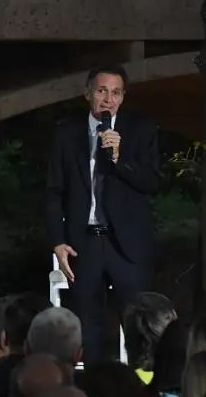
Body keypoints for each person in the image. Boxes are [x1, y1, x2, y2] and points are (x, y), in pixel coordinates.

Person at [45, 64, 160, 366]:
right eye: (102, 91)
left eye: (116, 93)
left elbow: (151, 182)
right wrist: (57, 241)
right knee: (89, 329)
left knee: (139, 330)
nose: (109, 99)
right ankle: (95, 385)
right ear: (88, 93)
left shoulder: (141, 129)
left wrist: (120, 159)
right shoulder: (67, 133)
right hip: (84, 242)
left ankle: (142, 385)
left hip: (128, 245)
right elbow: (54, 192)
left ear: (123, 97)